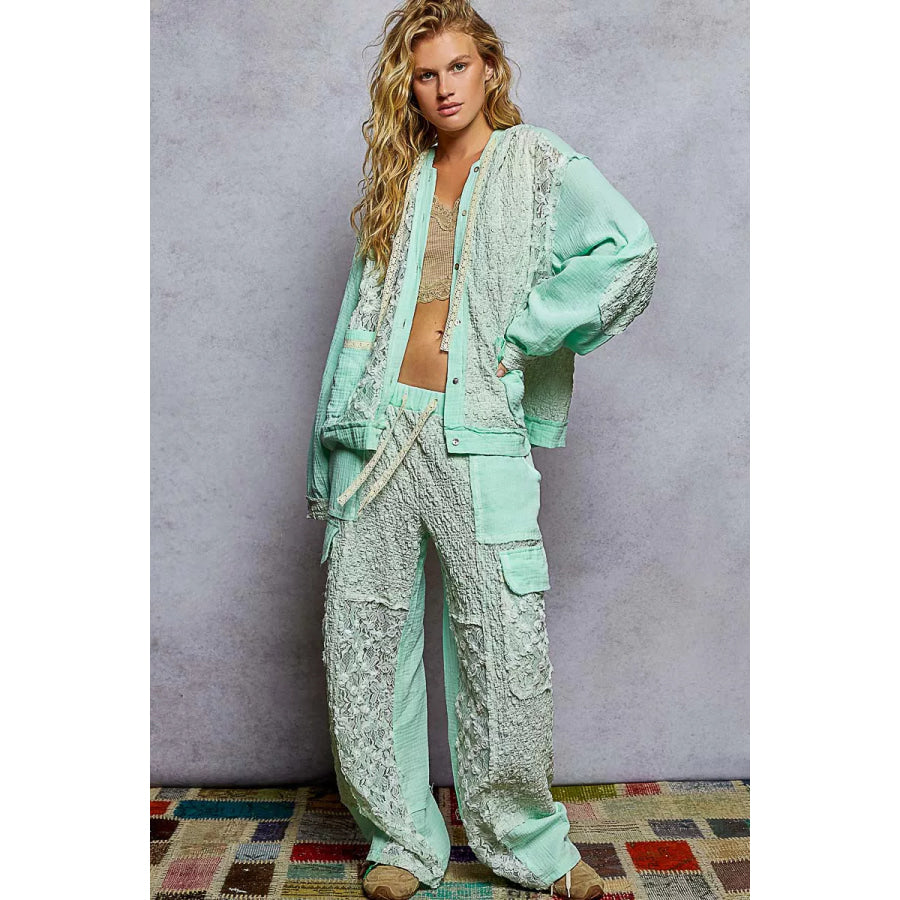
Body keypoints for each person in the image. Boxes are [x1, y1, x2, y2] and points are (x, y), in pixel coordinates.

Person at [306, 3, 658, 898]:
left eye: (458, 66)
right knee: (365, 634)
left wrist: (521, 336)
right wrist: (334, 436)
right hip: (379, 426)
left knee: (501, 637)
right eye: (426, 74)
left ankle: (530, 846)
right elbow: (359, 318)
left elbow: (628, 250)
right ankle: (400, 842)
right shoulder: (404, 174)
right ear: (410, 87)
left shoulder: (538, 162)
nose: (443, 88)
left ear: (490, 68)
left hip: (477, 426)